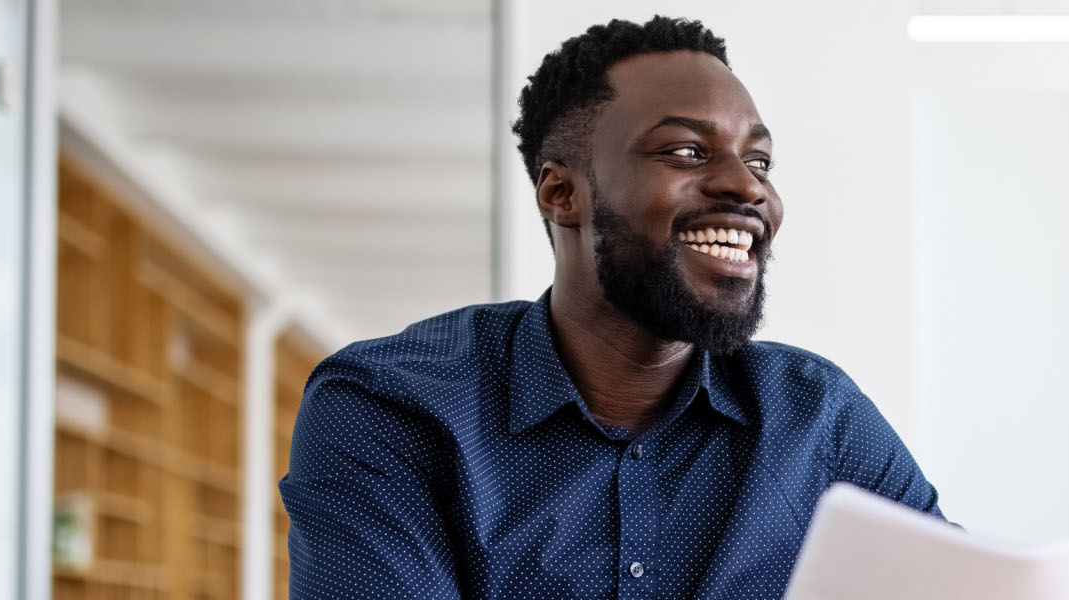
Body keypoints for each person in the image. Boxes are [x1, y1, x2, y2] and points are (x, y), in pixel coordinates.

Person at [280, 16, 945, 599]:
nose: (748, 187)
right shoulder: (391, 407)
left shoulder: (819, 421)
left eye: (761, 161)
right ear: (562, 194)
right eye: (685, 150)